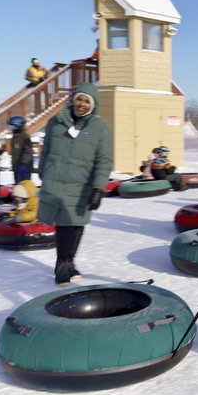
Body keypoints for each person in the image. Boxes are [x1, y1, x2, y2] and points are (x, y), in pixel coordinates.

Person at [38, 83, 113, 285]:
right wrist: (42, 169)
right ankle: (61, 265)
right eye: (79, 99)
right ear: (72, 99)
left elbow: (104, 161)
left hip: (82, 185)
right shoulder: (56, 122)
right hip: (56, 181)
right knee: (64, 224)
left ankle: (69, 263)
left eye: (87, 101)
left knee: (77, 225)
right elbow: (45, 149)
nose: (82, 104)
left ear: (93, 105)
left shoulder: (100, 129)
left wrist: (99, 188)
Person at [8, 116, 34, 184]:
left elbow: (28, 150)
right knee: (18, 188)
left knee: (24, 188)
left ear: (18, 126)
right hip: (17, 167)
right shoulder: (14, 137)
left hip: (24, 168)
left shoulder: (25, 136)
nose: (11, 129)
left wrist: (24, 163)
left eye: (12, 127)